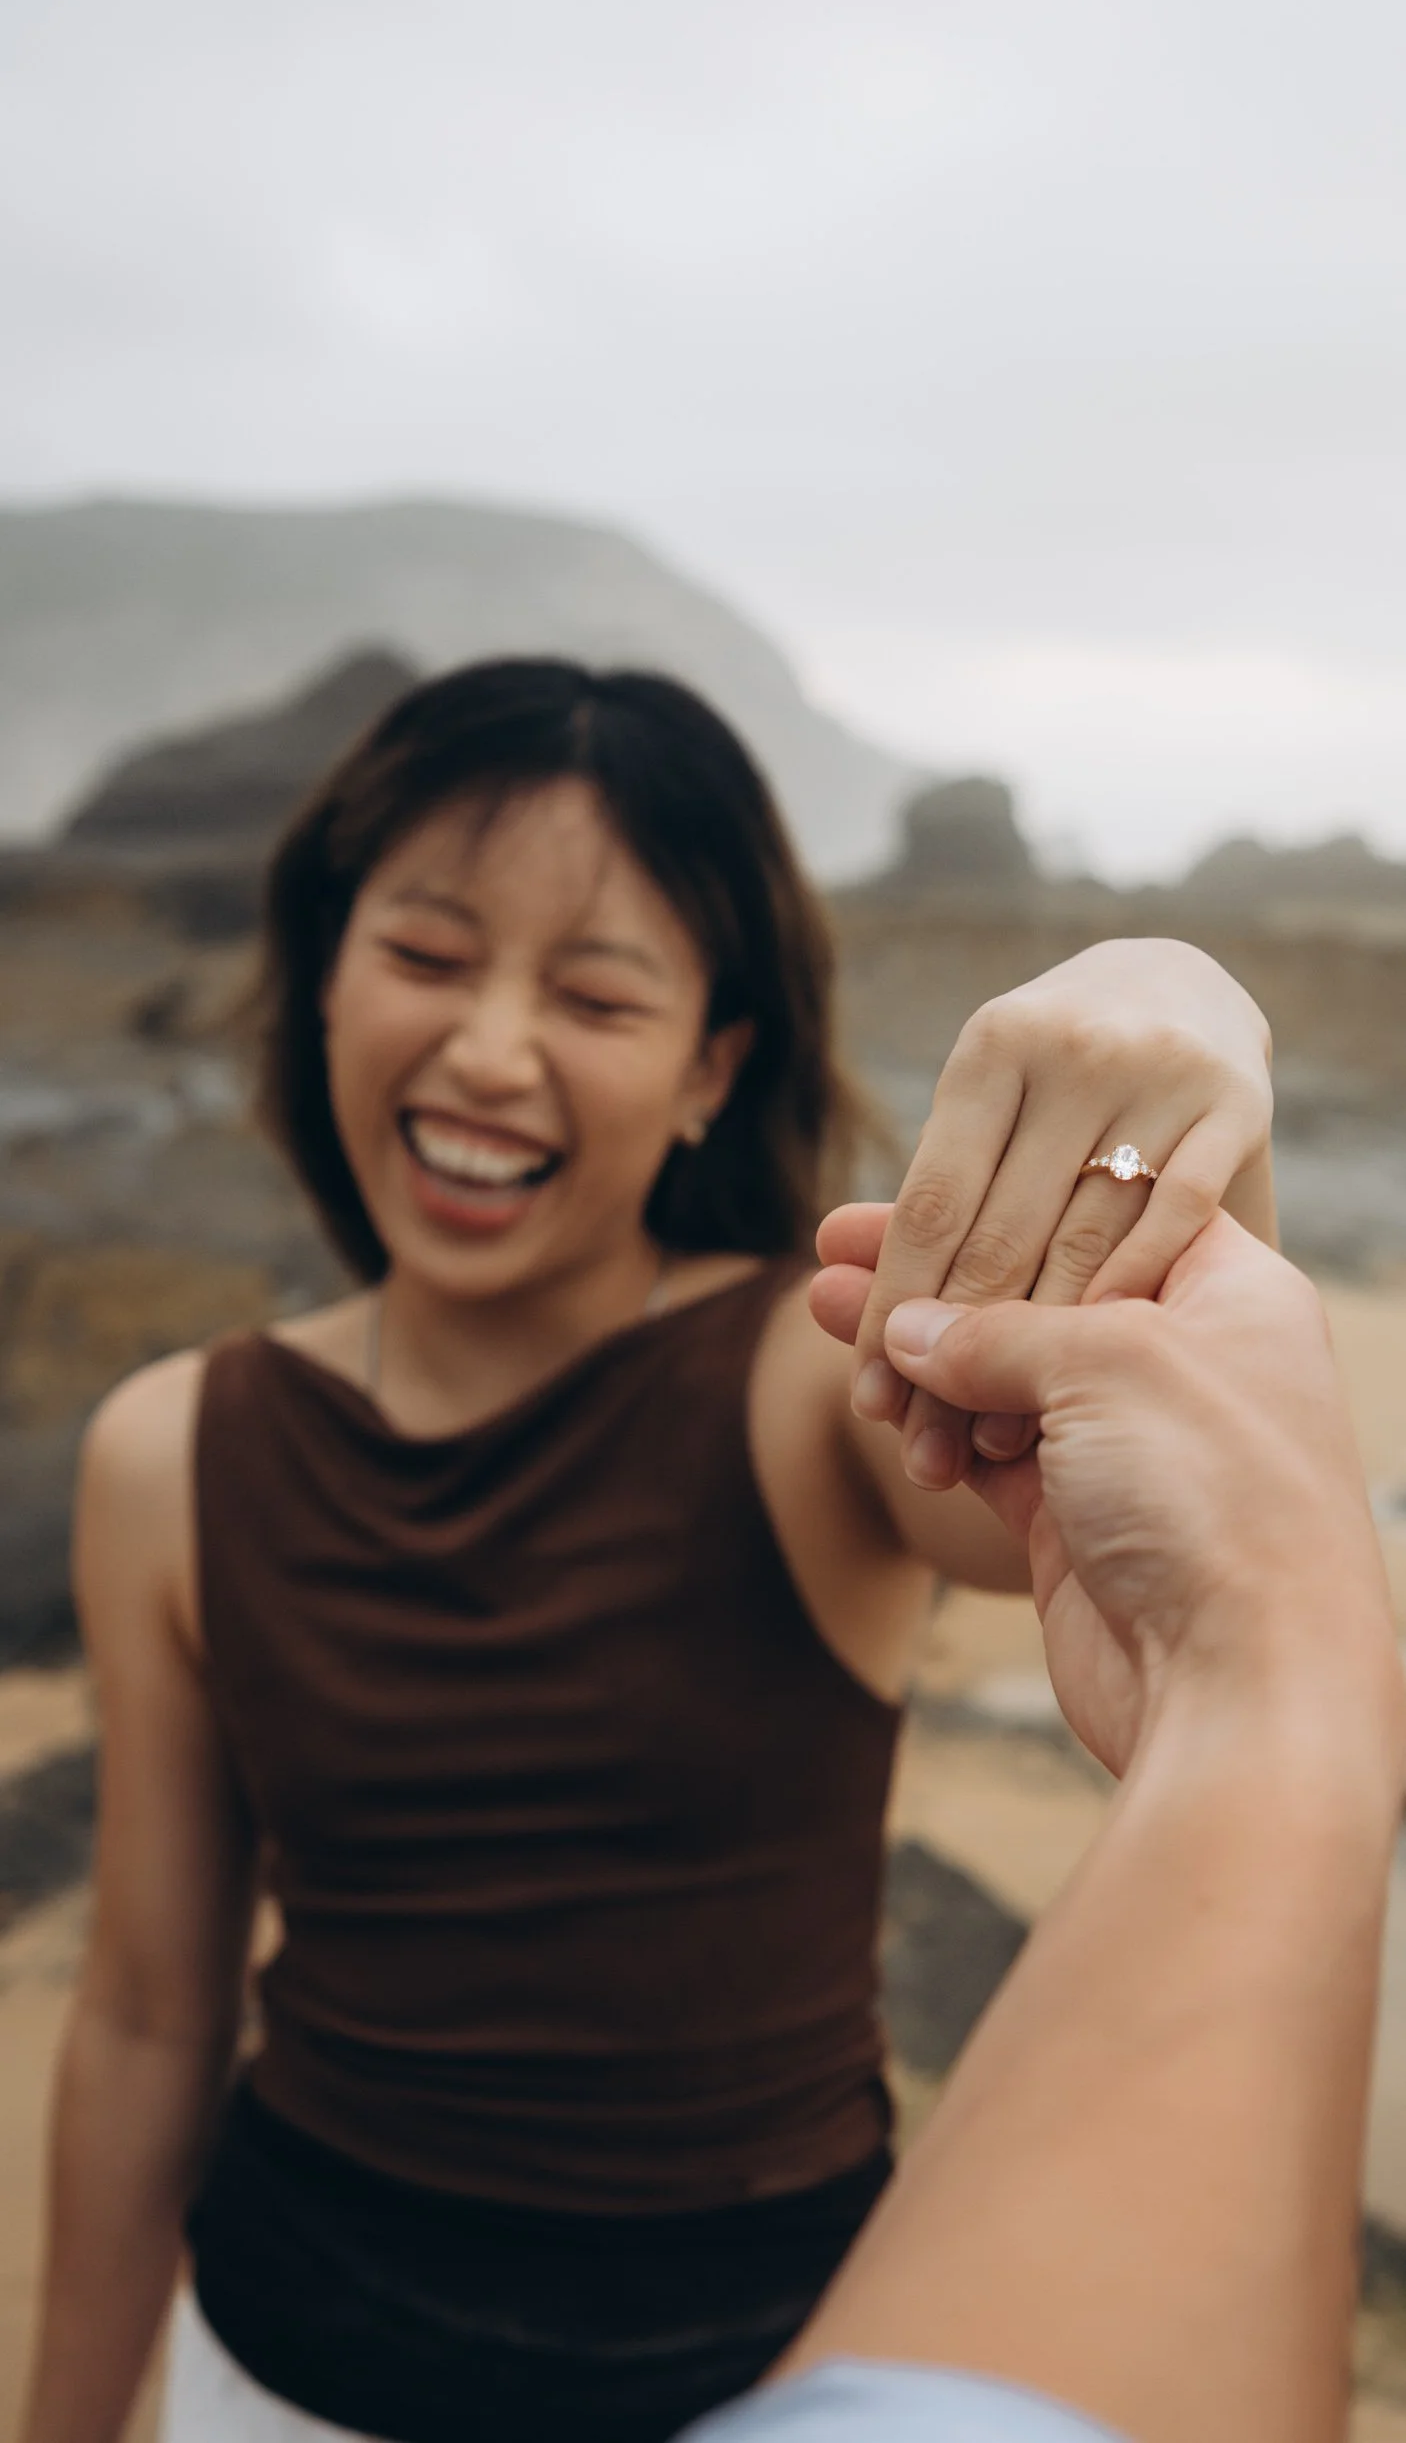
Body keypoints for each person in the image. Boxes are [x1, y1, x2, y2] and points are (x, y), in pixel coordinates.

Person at [20, 660, 1277, 2443]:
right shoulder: (170, 1448)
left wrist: (1184, 996)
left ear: (709, 1069)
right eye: (429, 956)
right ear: (321, 981)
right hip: (278, 2360)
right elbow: (150, 2016)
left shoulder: (804, 1385)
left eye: (593, 992)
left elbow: (1147, 1487)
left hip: (758, 2382)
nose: (488, 1050)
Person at [679, 1209, 1405, 2442]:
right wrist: (1271, 1648)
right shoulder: (233, 1414)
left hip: (756, 2278)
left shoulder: (776, 1370)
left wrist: (1173, 1180)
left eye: (592, 998)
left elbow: (1039, 1478)